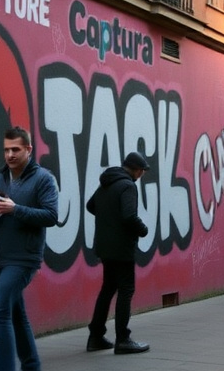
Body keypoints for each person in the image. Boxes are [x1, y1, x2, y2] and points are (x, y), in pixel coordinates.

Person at [0, 127, 59, 370]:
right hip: (0, 257)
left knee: (0, 312)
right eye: (6, 150)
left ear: (28, 150)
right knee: (16, 314)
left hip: (24, 258)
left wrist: (15, 209)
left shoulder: (43, 178)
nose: (10, 155)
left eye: (15, 149)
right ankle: (31, 365)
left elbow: (51, 216)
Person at [86, 151, 151, 355]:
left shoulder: (107, 182)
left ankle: (95, 336)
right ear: (137, 169)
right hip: (122, 248)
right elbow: (129, 216)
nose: (142, 174)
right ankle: (123, 339)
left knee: (108, 289)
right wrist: (143, 229)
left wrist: (108, 219)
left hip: (104, 247)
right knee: (126, 289)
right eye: (142, 170)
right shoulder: (128, 185)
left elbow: (90, 206)